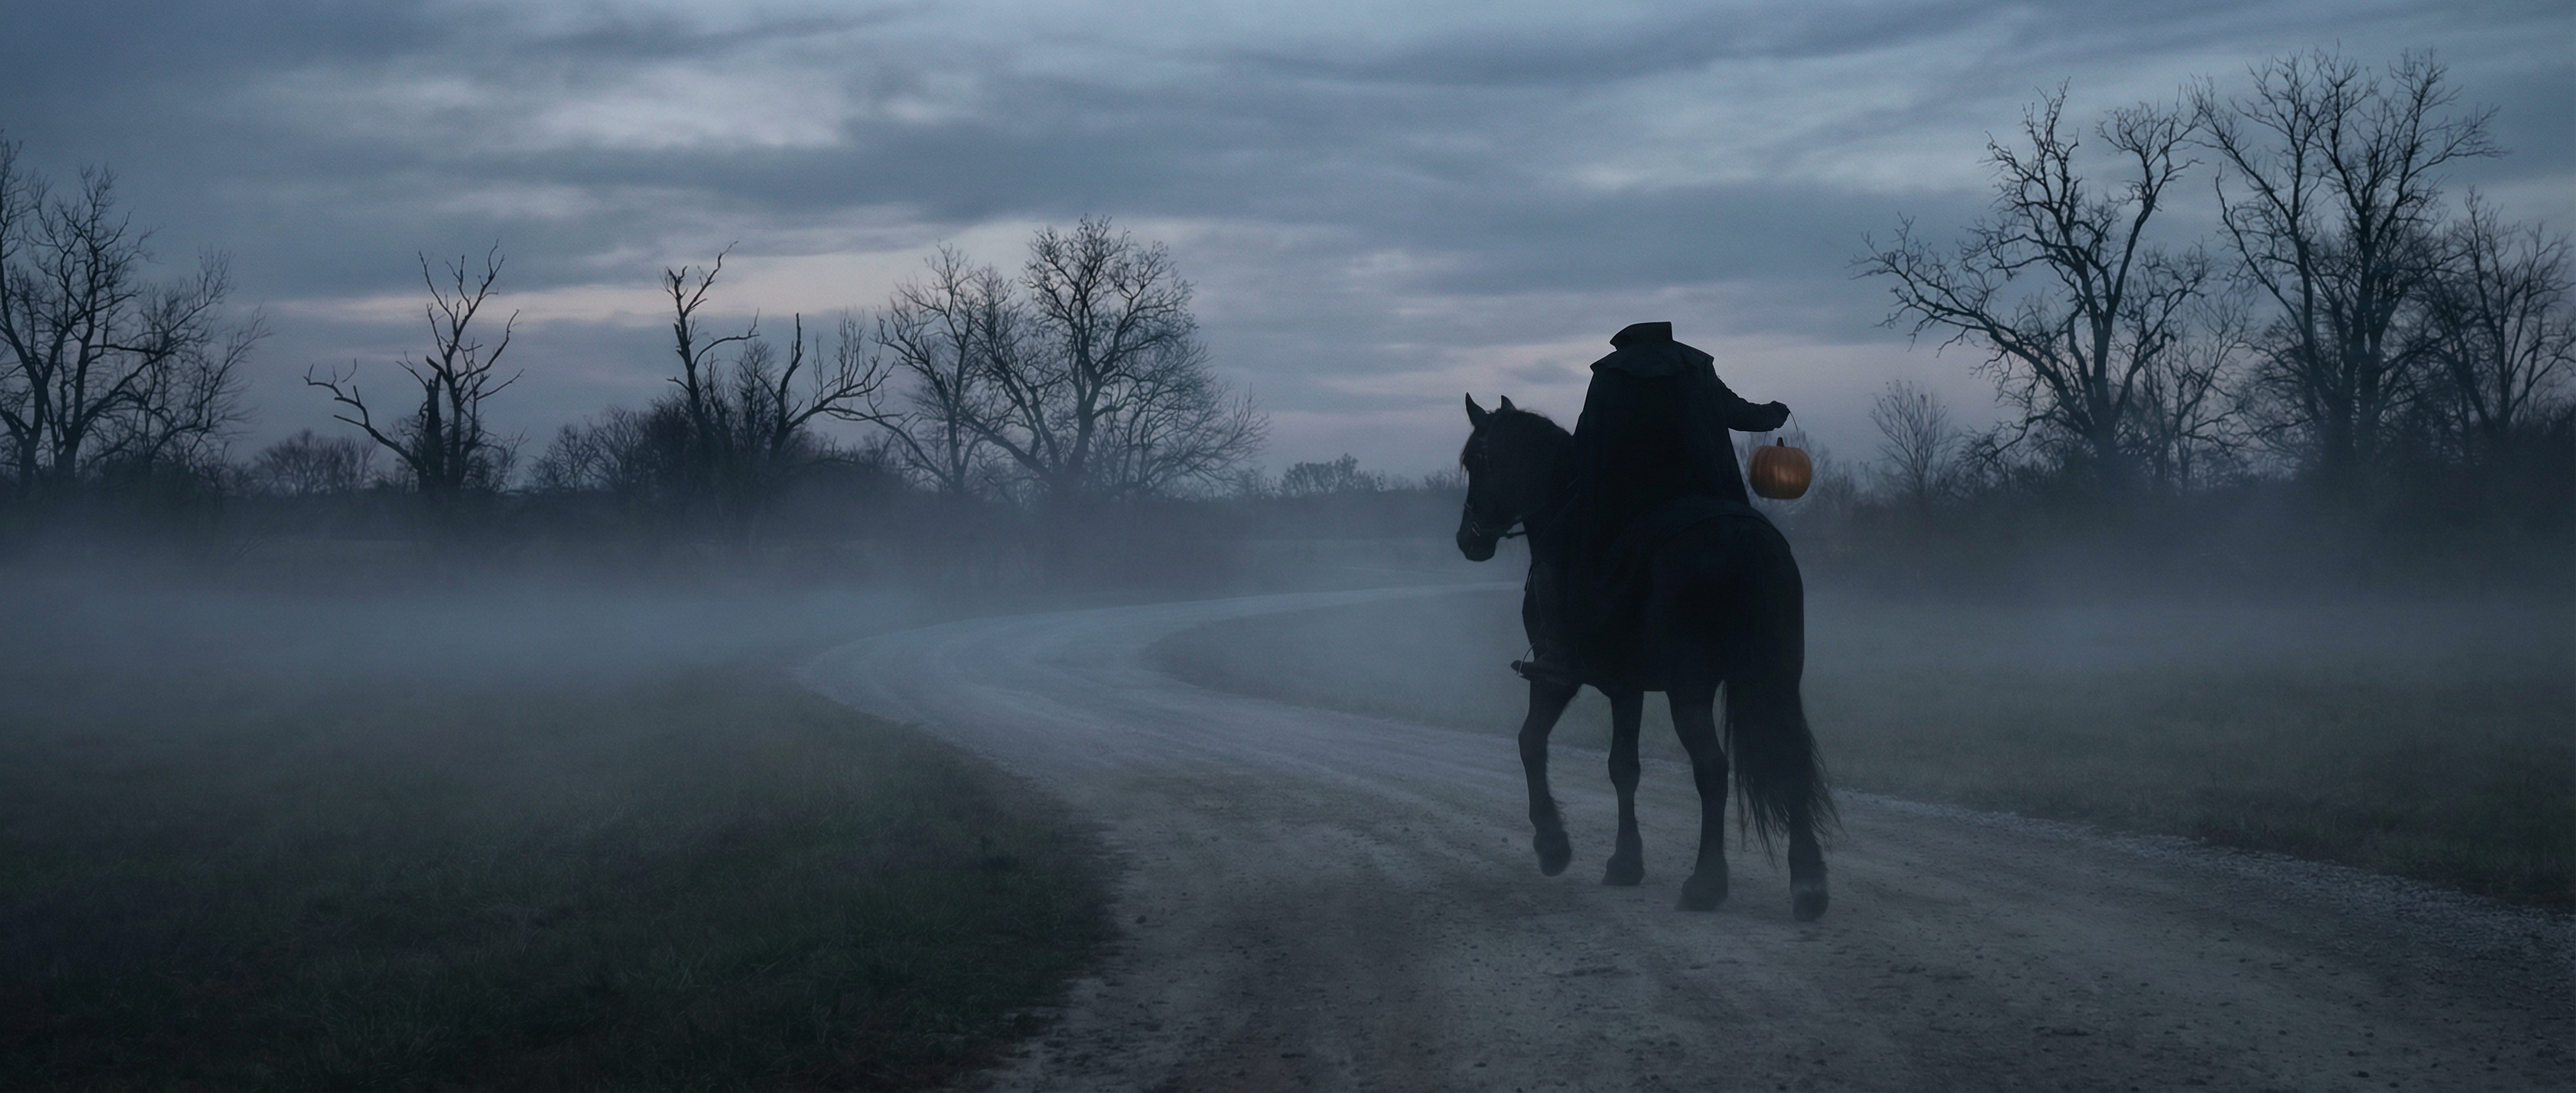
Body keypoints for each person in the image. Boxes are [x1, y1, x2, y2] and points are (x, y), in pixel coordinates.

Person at [1512, 321, 1789, 687]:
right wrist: (1775, 412)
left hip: (1629, 500)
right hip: (1701, 491)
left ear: (1623, 345)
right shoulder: (1694, 367)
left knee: (1549, 552)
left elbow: (1585, 442)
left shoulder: (1611, 373)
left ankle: (1557, 655)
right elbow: (1739, 414)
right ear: (1668, 339)